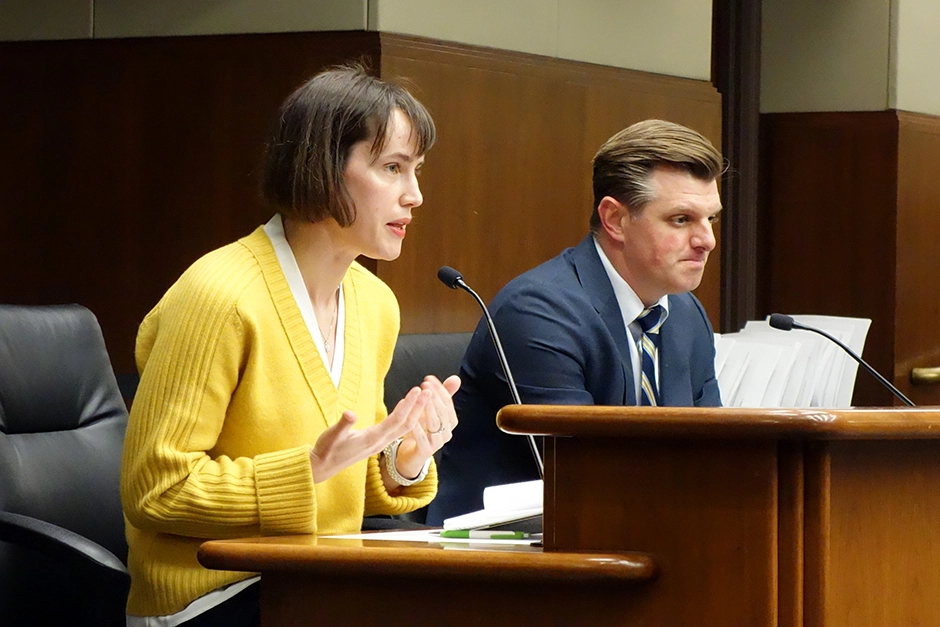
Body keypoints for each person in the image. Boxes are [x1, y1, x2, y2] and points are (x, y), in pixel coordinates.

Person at [121, 66, 459, 627]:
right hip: (211, 597)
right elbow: (156, 490)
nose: (415, 195)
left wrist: (403, 459)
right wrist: (306, 469)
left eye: (416, 171)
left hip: (318, 583)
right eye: (393, 168)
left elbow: (343, 484)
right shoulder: (219, 295)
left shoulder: (375, 304)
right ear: (324, 169)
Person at [426, 119, 723, 525]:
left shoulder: (686, 314)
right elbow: (589, 476)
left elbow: (718, 457)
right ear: (615, 220)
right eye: (681, 220)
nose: (706, 239)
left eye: (712, 220)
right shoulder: (539, 312)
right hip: (501, 558)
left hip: (627, 536)